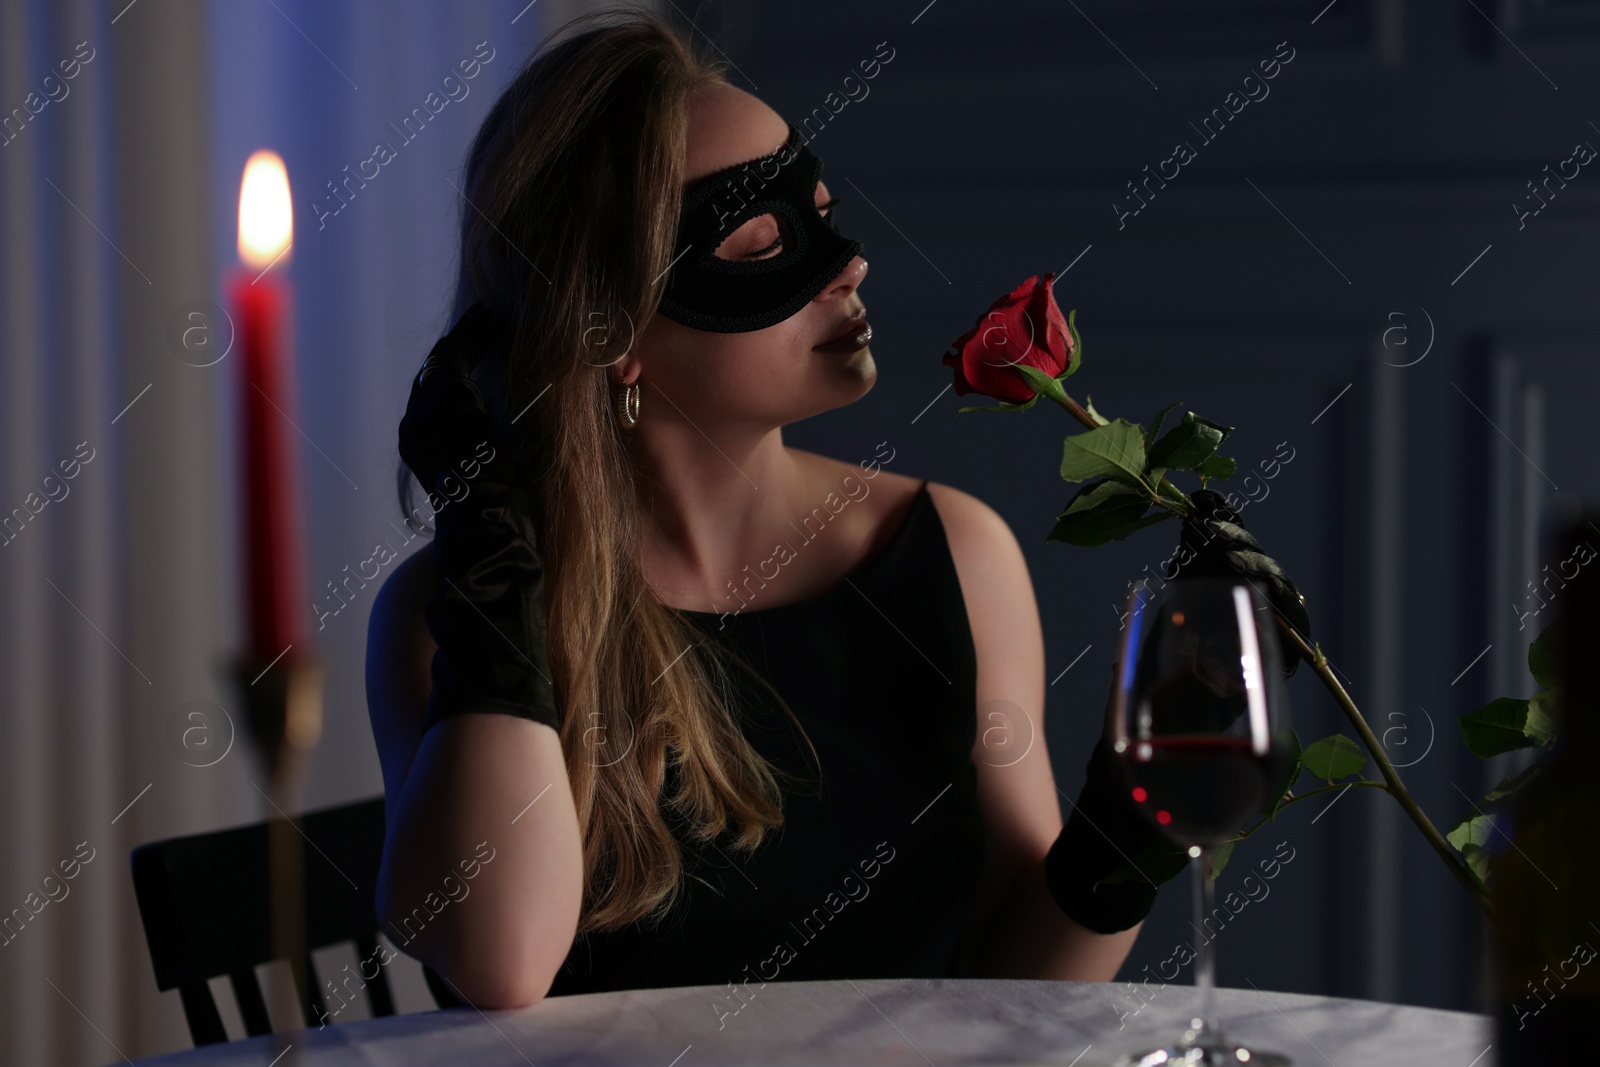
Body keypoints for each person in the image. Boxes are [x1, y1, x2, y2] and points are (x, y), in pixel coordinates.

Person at [364, 9, 1309, 1012]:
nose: (847, 261)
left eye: (821, 209)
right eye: (764, 237)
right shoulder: (458, 611)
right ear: (612, 330)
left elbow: (1017, 987)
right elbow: (500, 962)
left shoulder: (953, 551)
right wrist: (492, 530)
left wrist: (1135, 809)